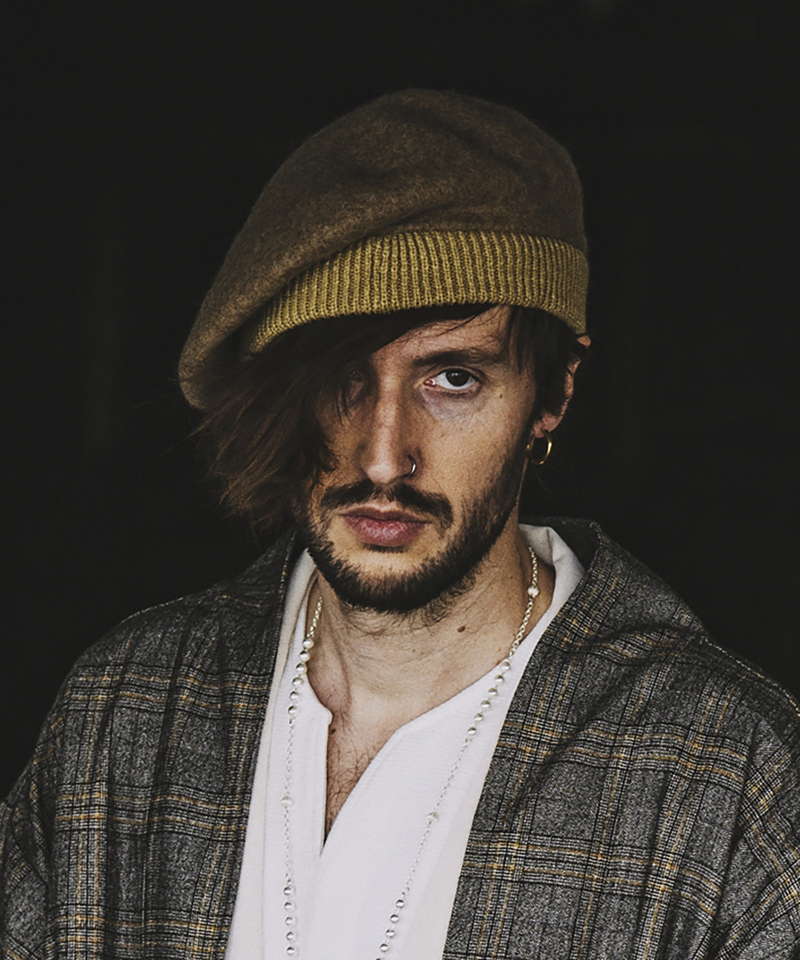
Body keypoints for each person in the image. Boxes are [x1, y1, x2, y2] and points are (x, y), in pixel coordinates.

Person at [2, 89, 798, 959]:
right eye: (339, 378)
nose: (383, 459)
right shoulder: (126, 706)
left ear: (554, 392)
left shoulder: (723, 768)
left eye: (453, 379)